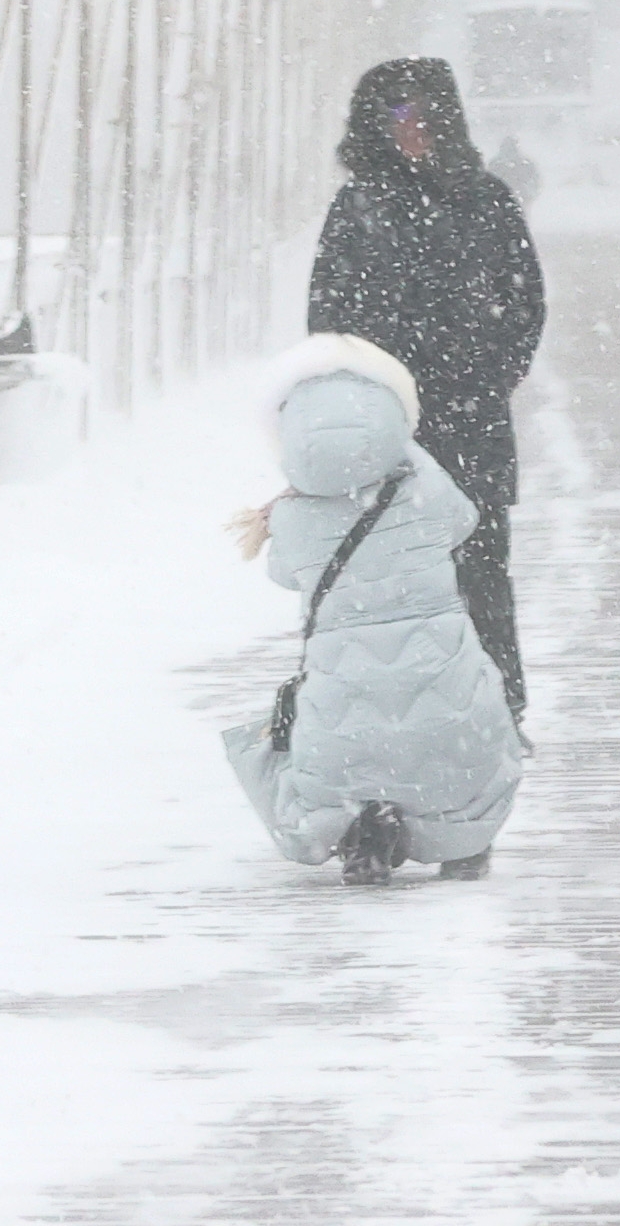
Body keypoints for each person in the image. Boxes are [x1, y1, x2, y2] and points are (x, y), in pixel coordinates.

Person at [219, 336, 520, 883]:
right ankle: (462, 838)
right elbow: (464, 524)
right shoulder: (424, 487)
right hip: (440, 659)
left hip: (340, 681)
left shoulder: (292, 516)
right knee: (468, 739)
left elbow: (283, 574)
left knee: (337, 751)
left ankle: (359, 824)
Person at [305, 55, 543, 715]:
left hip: (470, 424)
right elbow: (325, 318)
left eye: (420, 111)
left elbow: (525, 304)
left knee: (480, 569)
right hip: (381, 430)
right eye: (394, 113)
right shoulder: (357, 206)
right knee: (381, 583)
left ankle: (498, 705)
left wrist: (491, 374)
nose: (408, 127)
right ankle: (395, 717)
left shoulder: (487, 200)